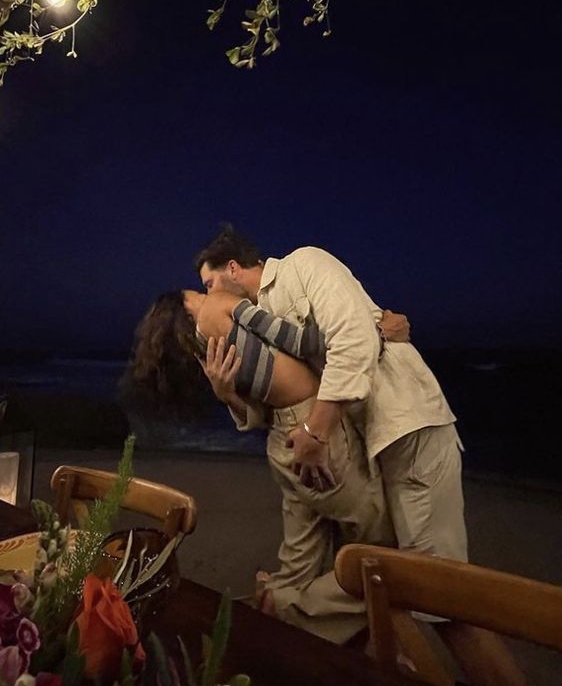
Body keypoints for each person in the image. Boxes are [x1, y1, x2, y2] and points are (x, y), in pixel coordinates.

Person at [194, 227, 468, 579]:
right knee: (381, 569)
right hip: (363, 437)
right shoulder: (255, 322)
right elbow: (277, 401)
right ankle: (288, 603)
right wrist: (225, 392)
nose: (209, 299)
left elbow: (352, 340)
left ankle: (285, 604)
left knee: (436, 581)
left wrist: (315, 431)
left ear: (232, 268)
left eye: (209, 285)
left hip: (405, 423)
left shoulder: (304, 264)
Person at [129, 288, 396, 642]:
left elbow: (262, 401)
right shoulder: (218, 310)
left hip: (281, 441)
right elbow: (300, 342)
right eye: (198, 288)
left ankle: (279, 611)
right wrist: (373, 331)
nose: (206, 290)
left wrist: (225, 395)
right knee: (383, 558)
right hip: (312, 432)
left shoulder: (206, 350)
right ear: (185, 302)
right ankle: (292, 611)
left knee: (297, 566)